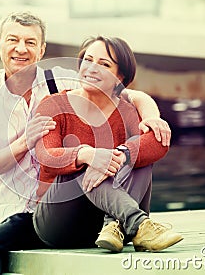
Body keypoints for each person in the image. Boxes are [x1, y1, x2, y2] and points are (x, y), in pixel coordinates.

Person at [0, 11, 171, 275]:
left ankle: (126, 223)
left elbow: (130, 94)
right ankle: (133, 223)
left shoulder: (62, 81)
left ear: (42, 49)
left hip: (44, 209)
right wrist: (25, 141)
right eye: (13, 40)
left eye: (30, 42)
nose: (21, 49)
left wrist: (152, 118)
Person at [33, 35, 183, 253]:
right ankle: (139, 223)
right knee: (84, 162)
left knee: (138, 154)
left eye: (104, 64)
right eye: (88, 60)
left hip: (108, 231)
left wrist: (122, 155)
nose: (92, 69)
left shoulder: (128, 111)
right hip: (58, 223)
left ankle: (113, 225)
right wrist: (87, 155)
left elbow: (158, 144)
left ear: (119, 77)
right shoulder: (53, 105)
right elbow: (46, 156)